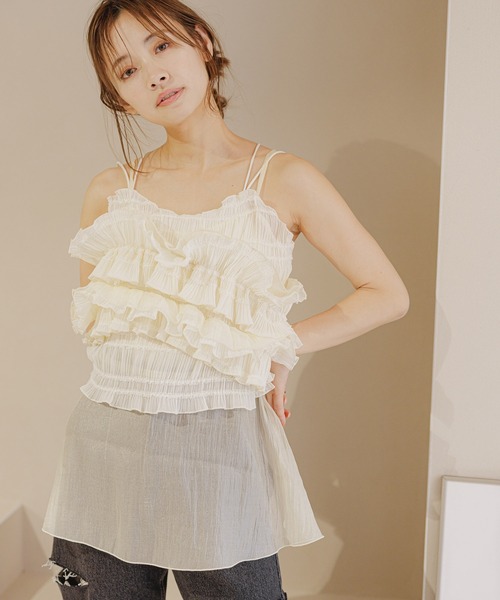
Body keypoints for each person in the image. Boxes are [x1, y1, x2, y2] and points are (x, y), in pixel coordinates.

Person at [41, 0, 410, 598]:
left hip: (220, 454)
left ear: (202, 42)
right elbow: (104, 332)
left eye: (161, 46)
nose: (154, 74)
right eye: (127, 70)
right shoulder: (109, 192)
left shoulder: (284, 179)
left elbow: (387, 294)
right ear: (119, 99)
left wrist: (281, 345)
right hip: (104, 454)